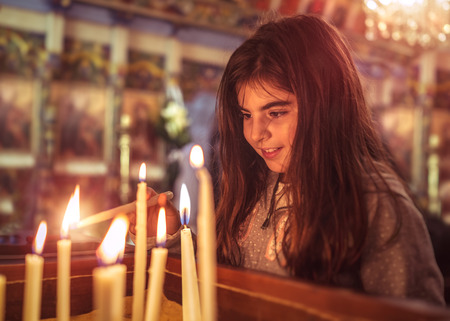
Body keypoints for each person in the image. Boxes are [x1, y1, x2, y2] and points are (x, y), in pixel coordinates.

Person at [129, 14, 445, 306]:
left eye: (276, 112)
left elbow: (415, 312)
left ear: (326, 106)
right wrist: (173, 236)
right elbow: (224, 279)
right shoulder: (255, 183)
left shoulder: (373, 202)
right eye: (246, 115)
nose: (255, 134)